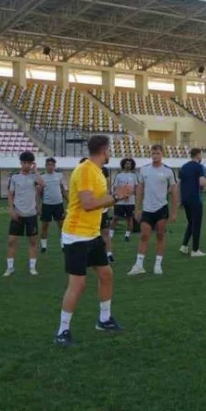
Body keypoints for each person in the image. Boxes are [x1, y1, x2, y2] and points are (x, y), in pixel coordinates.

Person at [54, 135, 136, 345]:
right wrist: (117, 196)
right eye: (110, 150)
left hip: (91, 234)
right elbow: (88, 204)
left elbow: (99, 202)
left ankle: (104, 319)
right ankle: (62, 331)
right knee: (78, 284)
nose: (111, 154)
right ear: (104, 150)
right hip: (76, 235)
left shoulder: (97, 171)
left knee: (106, 274)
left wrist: (115, 196)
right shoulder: (85, 170)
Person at [129, 145, 178, 276]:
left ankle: (158, 264)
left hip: (161, 208)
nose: (155, 155)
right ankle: (139, 265)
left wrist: (174, 211)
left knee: (160, 236)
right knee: (144, 235)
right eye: (153, 153)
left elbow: (174, 192)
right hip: (147, 209)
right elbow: (139, 190)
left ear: (162, 154)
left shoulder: (168, 171)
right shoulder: (144, 170)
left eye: (157, 153)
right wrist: (137, 209)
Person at [5, 151, 45, 277]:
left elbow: (43, 184)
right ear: (21, 163)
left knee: (33, 242)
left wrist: (36, 171)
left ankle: (32, 268)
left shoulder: (34, 178)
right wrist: (11, 209)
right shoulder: (15, 178)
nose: (26, 165)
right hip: (18, 214)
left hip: (31, 215)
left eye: (29, 163)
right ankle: (10, 268)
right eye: (24, 163)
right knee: (11, 242)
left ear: (32, 164)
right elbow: (10, 194)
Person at [178, 148, 206, 257]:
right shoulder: (199, 167)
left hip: (185, 199)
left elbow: (180, 184)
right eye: (201, 155)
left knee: (191, 223)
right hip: (195, 199)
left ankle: (184, 246)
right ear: (198, 155)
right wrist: (204, 183)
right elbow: (202, 183)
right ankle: (195, 250)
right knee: (196, 224)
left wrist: (180, 200)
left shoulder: (183, 167)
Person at [39, 157, 66, 253]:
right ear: (46, 166)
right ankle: (44, 246)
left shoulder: (59, 175)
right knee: (45, 226)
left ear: (55, 166)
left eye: (52, 165)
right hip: (47, 205)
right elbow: (39, 192)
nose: (50, 167)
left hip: (58, 204)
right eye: (49, 165)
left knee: (61, 226)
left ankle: (63, 245)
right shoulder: (42, 177)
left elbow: (62, 188)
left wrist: (67, 199)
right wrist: (38, 207)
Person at [111, 158, 138, 242]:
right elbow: (115, 188)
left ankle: (127, 235)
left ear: (132, 165)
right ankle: (110, 234)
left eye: (129, 164)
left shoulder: (134, 176)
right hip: (120, 201)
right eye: (126, 163)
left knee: (130, 218)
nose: (128, 165)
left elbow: (136, 189)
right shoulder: (119, 175)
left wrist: (129, 194)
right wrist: (122, 195)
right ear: (123, 164)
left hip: (130, 202)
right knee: (115, 218)